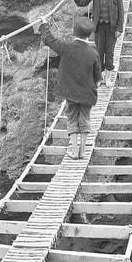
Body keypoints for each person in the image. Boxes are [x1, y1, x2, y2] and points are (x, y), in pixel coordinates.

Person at [38, 16, 101, 159]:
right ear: (89, 35)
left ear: (74, 32)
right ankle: (83, 151)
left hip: (71, 93)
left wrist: (44, 25)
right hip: (87, 95)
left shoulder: (66, 48)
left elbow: (50, 40)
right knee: (85, 120)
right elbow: (97, 76)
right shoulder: (94, 53)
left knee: (72, 119)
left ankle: (74, 151)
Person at [71, 0, 123, 86]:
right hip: (99, 27)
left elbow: (121, 11)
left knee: (109, 52)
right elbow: (83, 2)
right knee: (99, 52)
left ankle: (108, 77)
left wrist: (119, 28)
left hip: (111, 27)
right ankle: (99, 77)